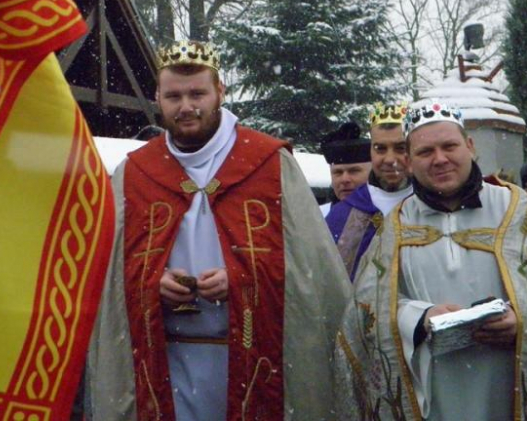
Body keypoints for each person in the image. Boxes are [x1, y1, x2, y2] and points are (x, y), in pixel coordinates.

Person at [85, 40, 351, 421]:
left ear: (220, 92)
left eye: (197, 93)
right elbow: (106, 277)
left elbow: (313, 273)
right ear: (157, 98)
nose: (186, 106)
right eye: (173, 96)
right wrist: (151, 282)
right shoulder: (134, 174)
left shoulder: (270, 164)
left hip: (252, 356)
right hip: (164, 359)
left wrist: (242, 280)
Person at [334, 101, 527, 420]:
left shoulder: (516, 209)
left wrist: (524, 320)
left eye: (449, 146)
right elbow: (364, 313)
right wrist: (419, 319)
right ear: (408, 160)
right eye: (425, 152)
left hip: (508, 388)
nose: (440, 159)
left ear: (470, 146)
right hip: (432, 394)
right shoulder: (397, 225)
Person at [326, 102, 413, 280]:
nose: (390, 159)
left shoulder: (436, 203)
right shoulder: (340, 217)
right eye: (380, 148)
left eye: (400, 148)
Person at [319, 121, 372, 217]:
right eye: (338, 172)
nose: (345, 179)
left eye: (354, 171)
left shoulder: (394, 215)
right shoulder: (317, 217)